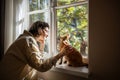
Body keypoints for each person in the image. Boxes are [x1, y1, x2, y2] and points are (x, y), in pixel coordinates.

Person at [0, 21, 73, 80]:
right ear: (40, 30)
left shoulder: (25, 38)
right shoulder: (28, 41)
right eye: (46, 31)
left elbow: (34, 60)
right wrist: (60, 54)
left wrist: (41, 47)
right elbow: (40, 66)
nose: (47, 35)